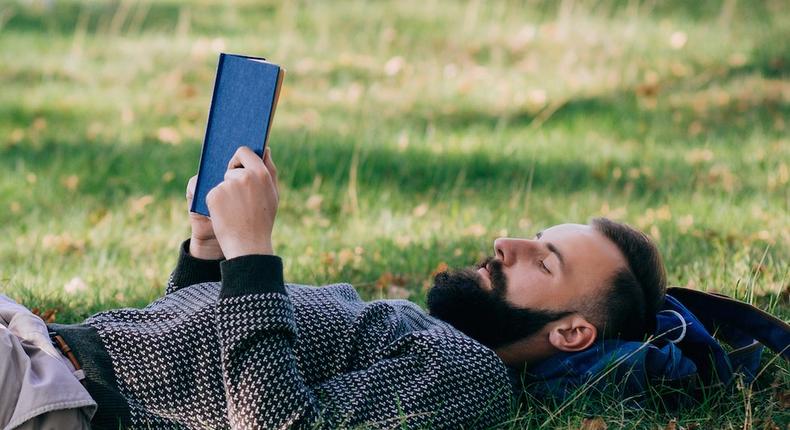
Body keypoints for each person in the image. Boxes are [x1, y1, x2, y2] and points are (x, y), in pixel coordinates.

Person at [0, 147, 666, 429]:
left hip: (59, 399)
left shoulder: (472, 375)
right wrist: (209, 252)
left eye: (542, 262)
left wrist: (252, 254)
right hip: (38, 347)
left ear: (572, 332)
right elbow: (208, 356)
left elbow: (281, 423)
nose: (506, 244)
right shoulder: (418, 328)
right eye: (532, 235)